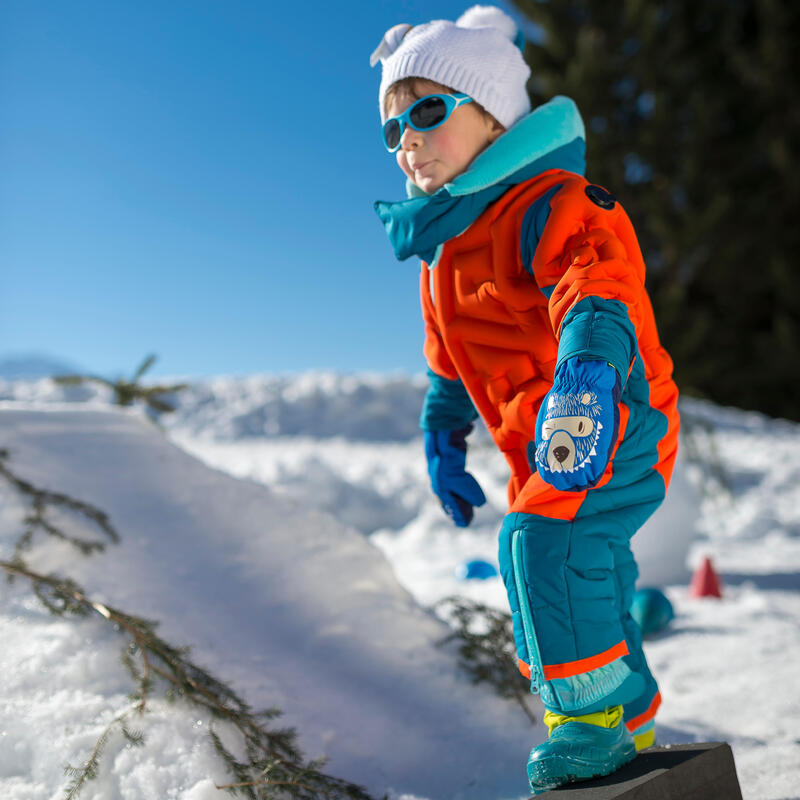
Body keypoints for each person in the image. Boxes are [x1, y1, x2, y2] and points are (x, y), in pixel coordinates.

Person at [370, 5, 679, 795]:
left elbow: (596, 288)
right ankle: (630, 710)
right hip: (545, 443)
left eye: (428, 112)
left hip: (614, 412)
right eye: (393, 128)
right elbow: (449, 365)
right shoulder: (441, 258)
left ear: (496, 117)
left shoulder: (551, 204)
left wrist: (587, 375)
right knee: (587, 566)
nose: (407, 138)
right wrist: (443, 435)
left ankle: (588, 722)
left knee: (540, 546)